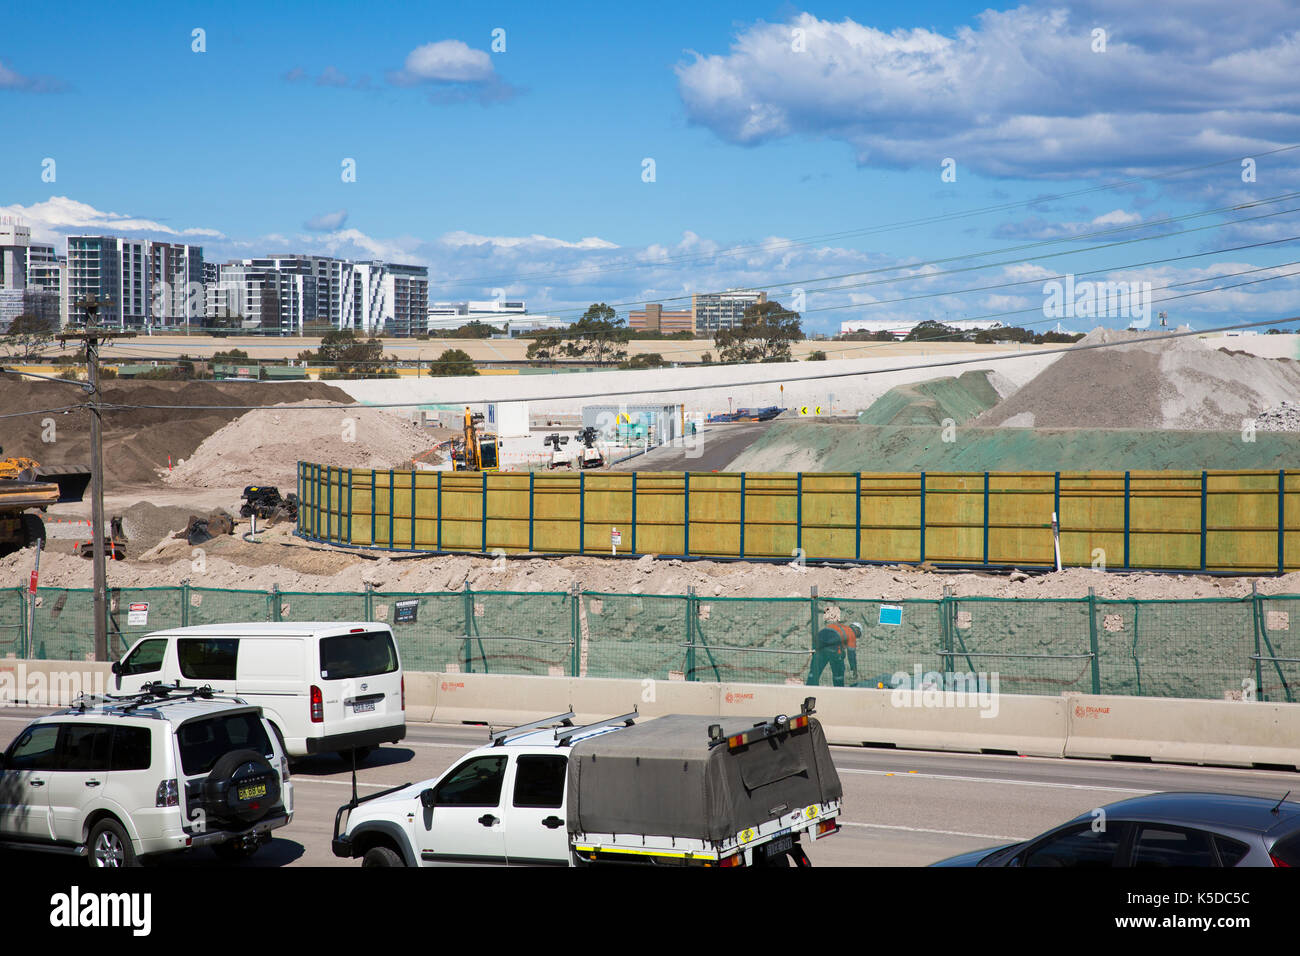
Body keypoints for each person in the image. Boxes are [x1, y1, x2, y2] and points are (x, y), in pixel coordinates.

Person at [806, 621, 861, 687]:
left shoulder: (841, 627)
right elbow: (851, 654)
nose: (856, 637)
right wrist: (854, 669)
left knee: (815, 670)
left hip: (820, 639)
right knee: (838, 671)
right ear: (857, 630)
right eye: (857, 635)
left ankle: (810, 689)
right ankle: (839, 690)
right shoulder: (851, 633)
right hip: (832, 644)